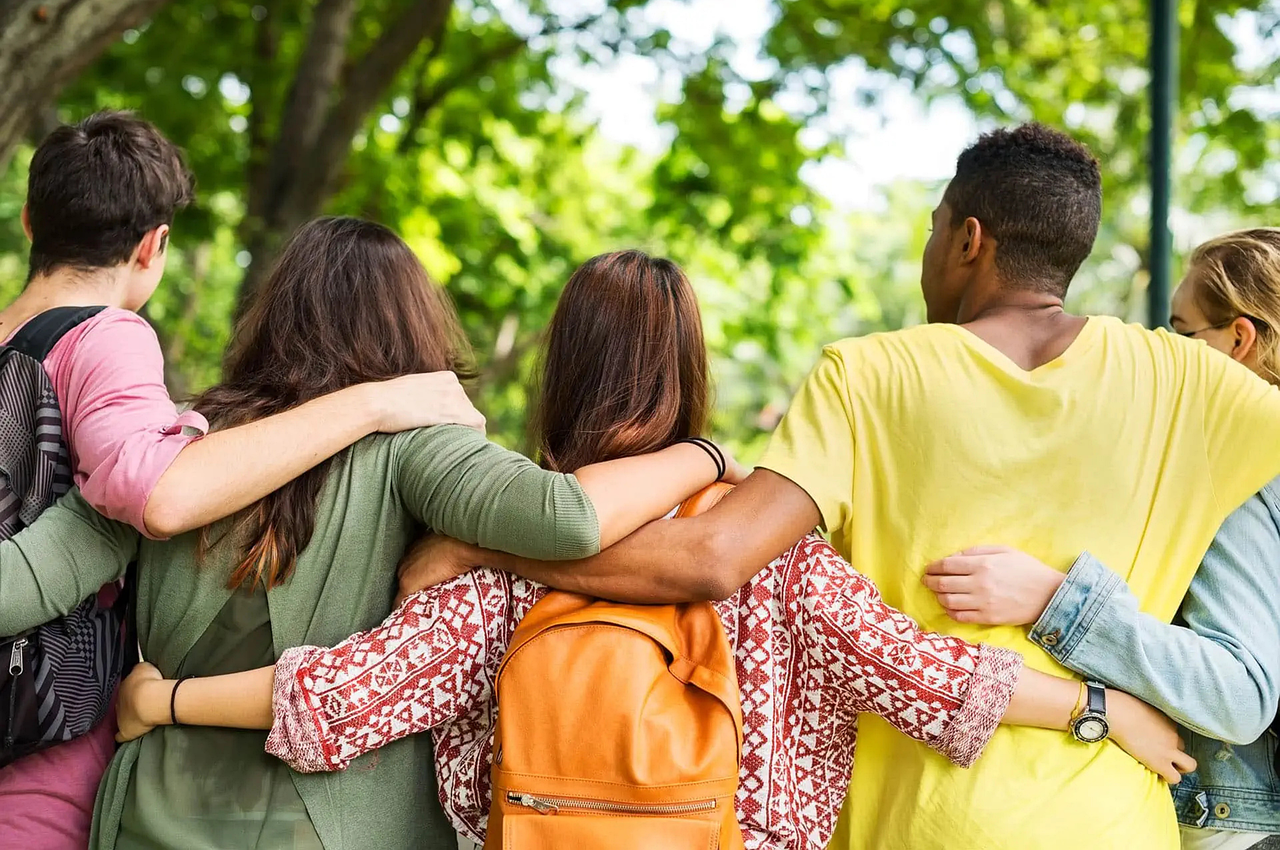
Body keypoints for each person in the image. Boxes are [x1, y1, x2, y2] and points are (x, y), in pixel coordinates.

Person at [382, 126, 1280, 849]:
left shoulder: (868, 373)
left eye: (933, 227)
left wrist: (484, 545)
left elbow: (714, 556)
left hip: (907, 826)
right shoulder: (1195, 383)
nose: (927, 248)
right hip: (1110, 817)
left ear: (969, 240)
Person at [111, 250, 1186, 850]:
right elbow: (936, 679)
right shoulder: (779, 555)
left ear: (560, 374)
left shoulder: (493, 554)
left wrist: (158, 702)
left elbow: (339, 701)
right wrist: (1105, 710)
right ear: (692, 370)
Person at [0, 220, 745, 850]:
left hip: (152, 818)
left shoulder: (179, 447)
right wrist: (704, 453)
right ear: (412, 323)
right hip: (335, 826)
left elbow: (20, 584)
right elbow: (571, 517)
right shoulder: (421, 447)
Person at [0, 111, 482, 849]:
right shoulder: (108, 334)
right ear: (153, 245)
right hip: (42, 727)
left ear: (30, 220)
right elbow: (156, 493)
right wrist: (380, 399)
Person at [920, 228, 1280, 850]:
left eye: (1181, 330)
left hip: (1229, 830)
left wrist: (1054, 600)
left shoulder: (1239, 477)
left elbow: (1239, 694)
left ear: (1240, 341)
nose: (1164, 348)